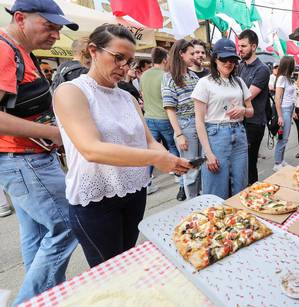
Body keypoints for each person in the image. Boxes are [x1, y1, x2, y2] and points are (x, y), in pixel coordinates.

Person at [53, 24, 191, 268]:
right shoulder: (72, 92)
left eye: (129, 61)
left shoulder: (126, 97)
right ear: (93, 51)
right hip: (95, 200)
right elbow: (91, 149)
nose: (124, 67)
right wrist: (155, 159)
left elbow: (148, 140)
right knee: (109, 270)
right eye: (118, 58)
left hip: (133, 191)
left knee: (127, 260)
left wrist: (171, 159)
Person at [0, 0, 79, 304]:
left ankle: (45, 296)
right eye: (49, 26)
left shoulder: (21, 51)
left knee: (36, 233)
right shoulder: (5, 50)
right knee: (68, 224)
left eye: (58, 29)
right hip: (22, 160)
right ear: (20, 18)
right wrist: (53, 133)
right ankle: (30, 300)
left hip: (24, 159)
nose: (55, 35)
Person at [192, 38, 254, 199]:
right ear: (214, 58)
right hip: (216, 136)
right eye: (224, 59)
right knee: (215, 192)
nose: (228, 63)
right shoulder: (204, 83)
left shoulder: (239, 82)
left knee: (240, 187)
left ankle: (238, 222)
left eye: (232, 59)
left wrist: (243, 110)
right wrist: (208, 153)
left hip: (239, 135)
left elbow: (251, 111)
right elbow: (199, 121)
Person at [140, 46, 183, 198]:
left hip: (149, 118)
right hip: (164, 118)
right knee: (172, 146)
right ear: (165, 59)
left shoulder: (144, 75)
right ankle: (179, 174)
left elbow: (143, 96)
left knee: (152, 152)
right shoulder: (166, 76)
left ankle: (147, 182)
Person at [162, 39, 201, 199]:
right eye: (191, 53)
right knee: (190, 169)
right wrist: (179, 135)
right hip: (185, 126)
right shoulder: (169, 77)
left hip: (199, 124)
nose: (194, 56)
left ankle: (199, 200)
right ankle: (192, 205)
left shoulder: (192, 75)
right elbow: (170, 109)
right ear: (181, 54)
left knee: (200, 166)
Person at [237, 29, 270, 185]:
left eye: (243, 46)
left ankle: (252, 194)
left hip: (254, 123)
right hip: (239, 120)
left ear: (254, 46)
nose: (240, 49)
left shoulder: (262, 69)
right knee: (240, 164)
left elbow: (247, 96)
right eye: (239, 46)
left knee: (249, 163)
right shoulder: (240, 66)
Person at [272, 56, 295, 171]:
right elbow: (277, 98)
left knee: (285, 138)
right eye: (293, 64)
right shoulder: (281, 78)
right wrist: (280, 115)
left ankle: (281, 160)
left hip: (289, 109)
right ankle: (277, 163)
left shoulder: (288, 78)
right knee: (282, 138)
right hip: (284, 110)